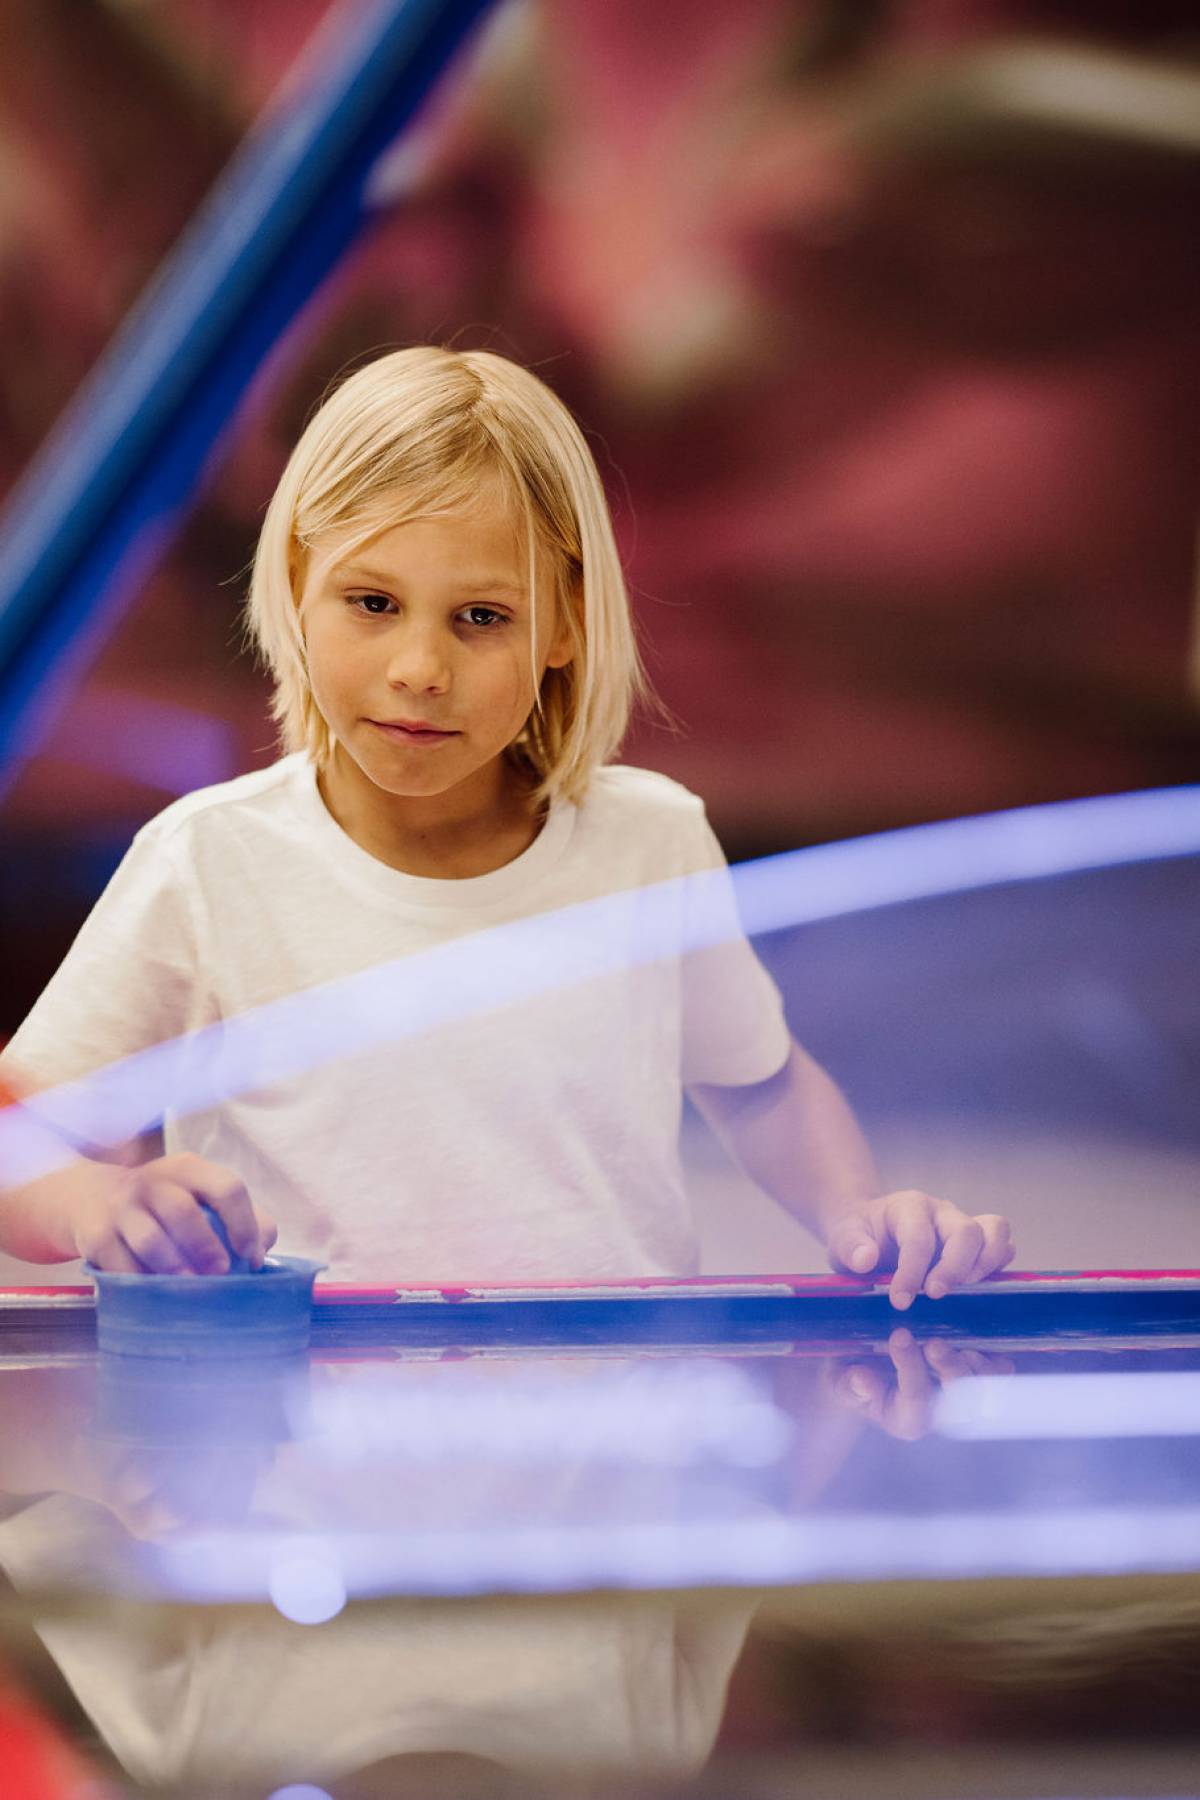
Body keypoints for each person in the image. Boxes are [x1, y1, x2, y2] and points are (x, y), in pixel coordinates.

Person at [0, 347, 1013, 1304]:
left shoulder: (652, 844)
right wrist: (101, 1203)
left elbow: (759, 1085)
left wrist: (863, 1219)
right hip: (310, 1467)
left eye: (481, 616)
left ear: (568, 622)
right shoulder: (207, 859)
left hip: (621, 1447)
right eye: (372, 601)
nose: (420, 669)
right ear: (299, 588)